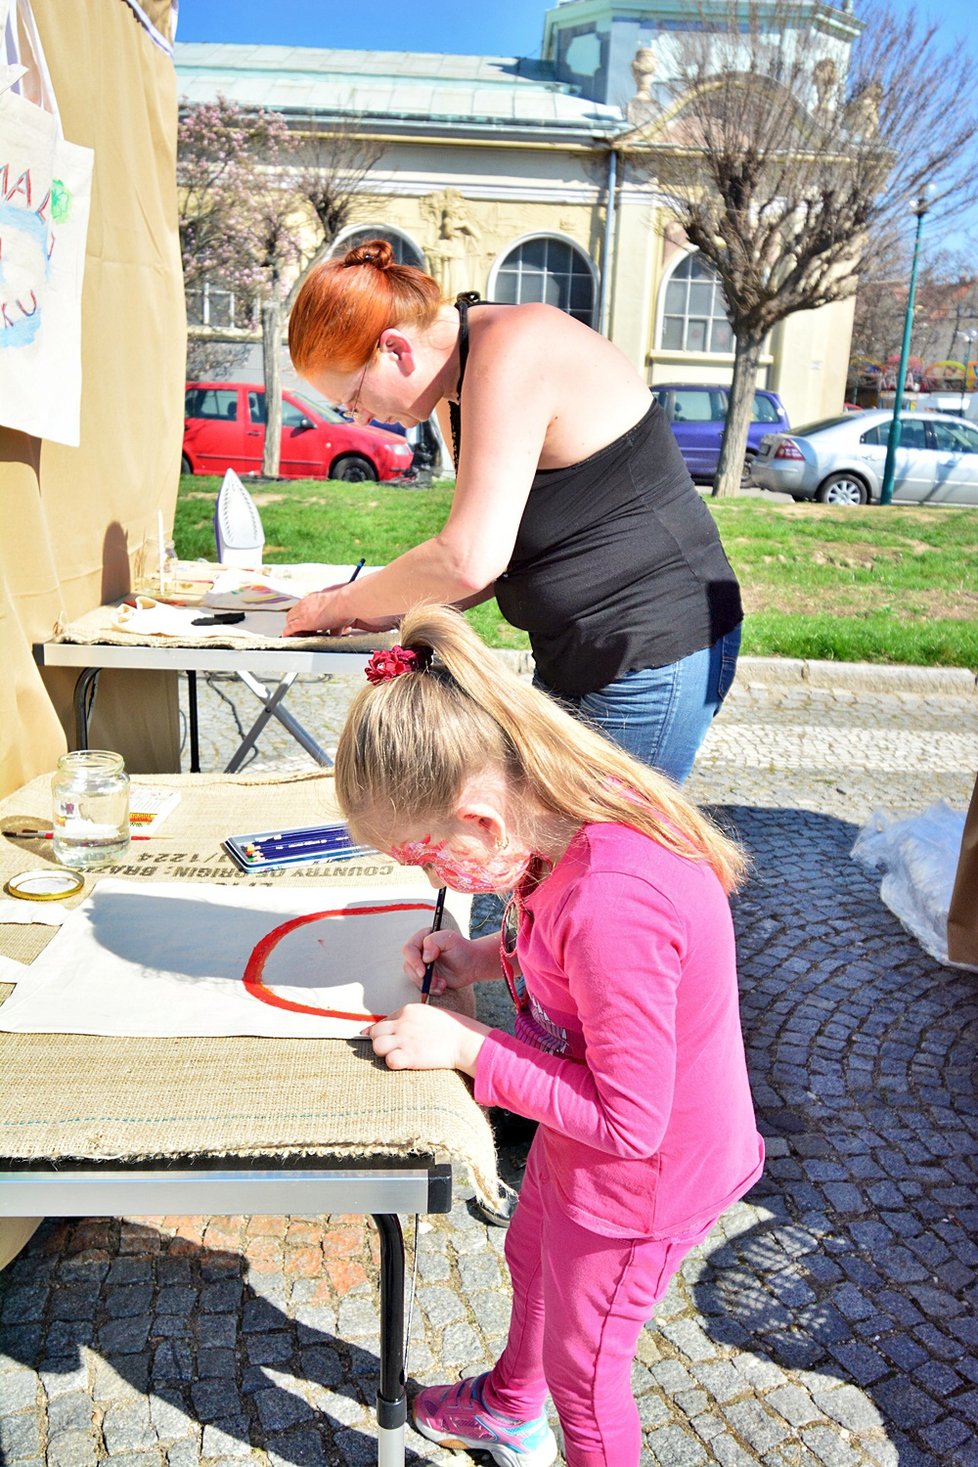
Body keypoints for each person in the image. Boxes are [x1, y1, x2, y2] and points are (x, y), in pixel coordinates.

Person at [334, 603, 765, 1467]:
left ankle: (538, 1412)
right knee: (531, 1254)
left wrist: (470, 1049)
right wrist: (480, 957)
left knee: (585, 1366)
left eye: (426, 857)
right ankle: (505, 1407)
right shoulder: (561, 820)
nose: (429, 876)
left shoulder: (613, 901)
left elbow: (631, 1120)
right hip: (587, 1133)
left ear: (482, 820)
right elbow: (553, 954)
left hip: (643, 1177)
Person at [285, 239, 743, 785]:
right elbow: (495, 551)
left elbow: (467, 559)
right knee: (559, 852)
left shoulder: (512, 350)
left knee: (605, 853)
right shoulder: (462, 377)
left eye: (352, 397)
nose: (359, 418)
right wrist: (383, 608)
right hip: (585, 649)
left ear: (394, 349)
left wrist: (339, 604)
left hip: (650, 647)